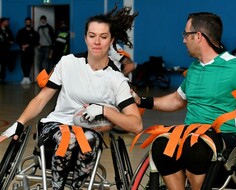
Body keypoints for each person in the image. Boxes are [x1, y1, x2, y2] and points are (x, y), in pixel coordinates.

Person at [0, 6, 142, 190]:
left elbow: (136, 125)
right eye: (92, 36)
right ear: (85, 38)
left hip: (90, 130)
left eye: (103, 36)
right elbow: (41, 99)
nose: (97, 41)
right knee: (69, 140)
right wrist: (19, 122)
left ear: (111, 40)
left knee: (87, 140)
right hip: (56, 124)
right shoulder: (68, 62)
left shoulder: (117, 80)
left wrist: (104, 110)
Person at [132, 12, 236, 189]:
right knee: (161, 146)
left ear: (198, 36)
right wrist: (142, 100)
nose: (183, 40)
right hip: (192, 134)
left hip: (225, 138)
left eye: (186, 34)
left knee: (195, 150)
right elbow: (177, 100)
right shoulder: (194, 68)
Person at [16, 17, 39, 84]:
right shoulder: (21, 31)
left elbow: (36, 41)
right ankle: (25, 77)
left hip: (30, 51)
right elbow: (17, 40)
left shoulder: (34, 33)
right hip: (23, 51)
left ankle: (27, 78)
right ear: (25, 23)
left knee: (29, 64)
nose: (28, 23)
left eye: (29, 22)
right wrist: (22, 45)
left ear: (31, 23)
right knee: (23, 64)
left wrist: (28, 45)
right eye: (27, 22)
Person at [0, 17, 14, 83]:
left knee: (3, 65)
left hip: (5, 51)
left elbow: (12, 40)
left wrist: (6, 41)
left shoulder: (8, 30)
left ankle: (2, 79)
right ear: (3, 22)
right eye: (6, 21)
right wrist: (6, 41)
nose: (8, 23)